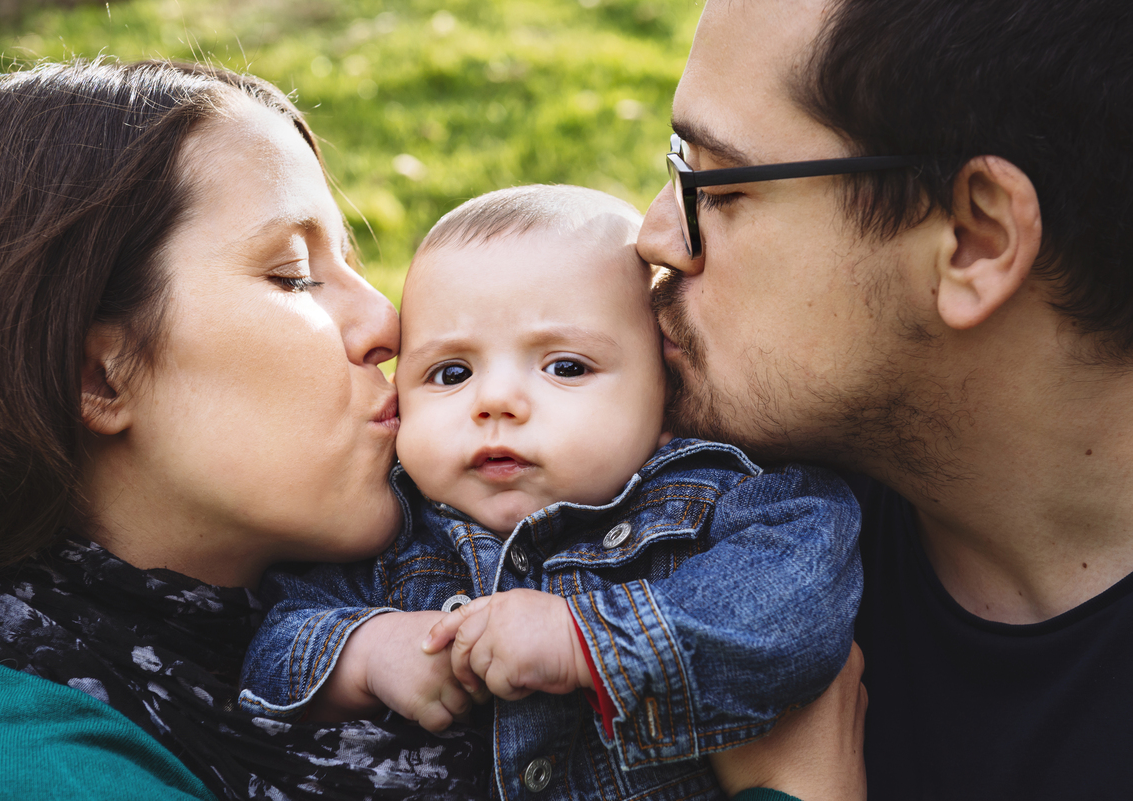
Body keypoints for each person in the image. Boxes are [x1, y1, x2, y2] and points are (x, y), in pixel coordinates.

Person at [0, 58, 489, 800]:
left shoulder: (440, 561)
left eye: (353, 263)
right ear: (100, 377)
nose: (386, 323)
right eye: (294, 274)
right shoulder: (21, 767)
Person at [635, 0, 1133, 797]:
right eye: (677, 163)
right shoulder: (669, 511)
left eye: (719, 185)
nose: (656, 235)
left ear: (974, 240)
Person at [238, 184, 863, 801]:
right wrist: (368, 653)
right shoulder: (392, 534)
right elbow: (265, 654)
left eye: (565, 367)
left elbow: (797, 600)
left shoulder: (721, 503)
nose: (495, 401)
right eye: (451, 373)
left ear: (668, 396)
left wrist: (587, 641)